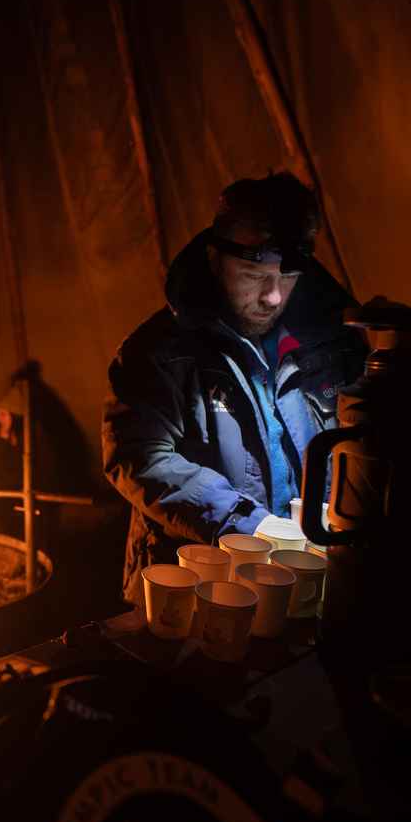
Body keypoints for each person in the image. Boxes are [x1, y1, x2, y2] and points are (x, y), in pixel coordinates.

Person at [103, 173, 366, 604]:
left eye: (289, 276)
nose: (274, 297)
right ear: (213, 259)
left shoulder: (334, 341)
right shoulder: (159, 353)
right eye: (252, 274)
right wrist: (248, 526)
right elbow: (138, 457)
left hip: (307, 582)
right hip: (193, 588)